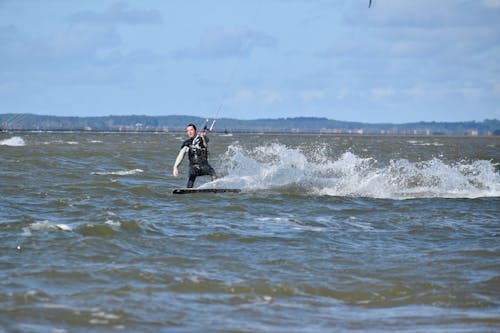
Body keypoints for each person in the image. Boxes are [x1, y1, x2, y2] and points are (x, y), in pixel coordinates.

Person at [172, 123, 217, 188]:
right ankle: (188, 189)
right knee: (191, 176)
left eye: (191, 130)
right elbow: (181, 155)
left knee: (213, 173)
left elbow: (206, 140)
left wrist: (204, 136)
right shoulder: (186, 143)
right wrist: (175, 167)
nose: (189, 132)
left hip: (204, 166)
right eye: (188, 131)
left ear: (195, 131)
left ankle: (215, 188)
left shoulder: (202, 139)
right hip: (194, 167)